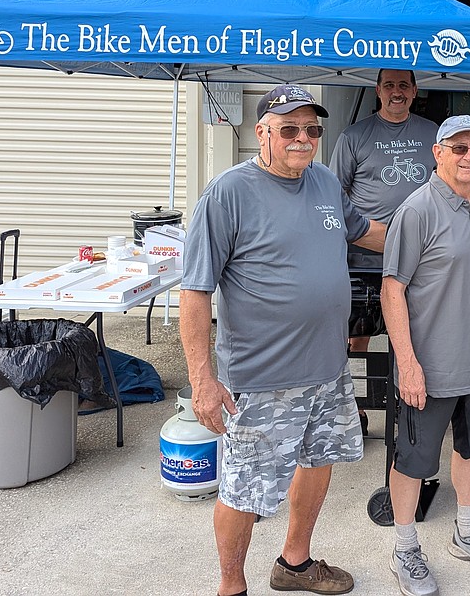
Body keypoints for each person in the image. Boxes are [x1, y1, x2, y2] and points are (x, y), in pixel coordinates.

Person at [179, 83, 385, 596]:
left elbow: (367, 232)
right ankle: (231, 586)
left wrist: (436, 222)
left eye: (312, 129)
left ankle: (294, 565)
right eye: (289, 128)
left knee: (319, 460)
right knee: (244, 489)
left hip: (327, 369)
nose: (302, 138)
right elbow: (195, 292)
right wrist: (202, 379)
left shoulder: (324, 183)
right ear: (262, 132)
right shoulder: (228, 192)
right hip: (260, 378)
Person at [381, 114, 470, 596]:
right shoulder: (416, 211)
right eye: (459, 148)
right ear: (437, 152)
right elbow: (392, 289)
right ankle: (405, 549)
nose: (469, 158)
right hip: (429, 368)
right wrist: (408, 362)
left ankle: (468, 534)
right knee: (414, 461)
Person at [330, 69, 439, 400]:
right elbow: (335, 197)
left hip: (419, 257)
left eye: (403, 85)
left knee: (409, 335)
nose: (397, 92)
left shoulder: (432, 134)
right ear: (377, 90)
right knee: (358, 335)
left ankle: (400, 404)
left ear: (415, 90)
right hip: (364, 256)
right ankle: (360, 405)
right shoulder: (354, 136)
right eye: (389, 85)